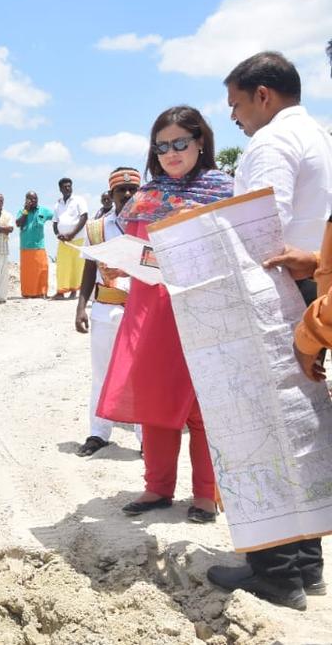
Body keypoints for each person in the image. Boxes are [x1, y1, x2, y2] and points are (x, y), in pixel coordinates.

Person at [206, 51, 332, 610]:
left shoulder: (272, 143)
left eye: (236, 105)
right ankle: (307, 565)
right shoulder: (320, 136)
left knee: (263, 430)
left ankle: (276, 571)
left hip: (273, 292)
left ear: (263, 95)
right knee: (302, 426)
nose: (235, 118)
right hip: (310, 285)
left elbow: (258, 224)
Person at [96, 105, 231, 526]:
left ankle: (206, 495)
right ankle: (158, 487)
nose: (171, 153)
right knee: (154, 396)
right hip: (152, 310)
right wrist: (120, 264)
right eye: (162, 147)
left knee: (203, 403)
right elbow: (139, 253)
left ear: (200, 142)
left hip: (206, 306)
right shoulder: (146, 197)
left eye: (180, 143)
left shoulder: (224, 191)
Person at [73, 168, 143, 457]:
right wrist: (81, 306)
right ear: (111, 193)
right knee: (102, 373)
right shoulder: (96, 229)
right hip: (106, 310)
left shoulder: (149, 225)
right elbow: (90, 268)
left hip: (141, 313)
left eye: (132, 189)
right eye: (121, 190)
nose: (127, 194)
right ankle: (98, 433)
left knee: (141, 376)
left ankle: (146, 438)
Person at [52, 177, 87, 299]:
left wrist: (72, 234)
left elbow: (84, 217)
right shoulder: (58, 204)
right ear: (60, 189)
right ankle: (61, 292)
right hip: (63, 241)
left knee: (77, 265)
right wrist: (58, 235)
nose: (68, 188)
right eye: (65, 186)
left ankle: (74, 291)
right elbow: (55, 222)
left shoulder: (78, 200)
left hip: (78, 238)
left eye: (69, 186)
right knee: (62, 266)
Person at [15, 191, 54, 298]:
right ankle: (28, 293)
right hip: (25, 247)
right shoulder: (22, 211)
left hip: (39, 246)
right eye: (31, 199)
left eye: (35, 199)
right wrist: (26, 211)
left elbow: (56, 217)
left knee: (43, 269)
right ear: (26, 200)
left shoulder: (43, 211)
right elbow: (18, 223)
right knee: (27, 272)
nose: (33, 201)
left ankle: (42, 292)